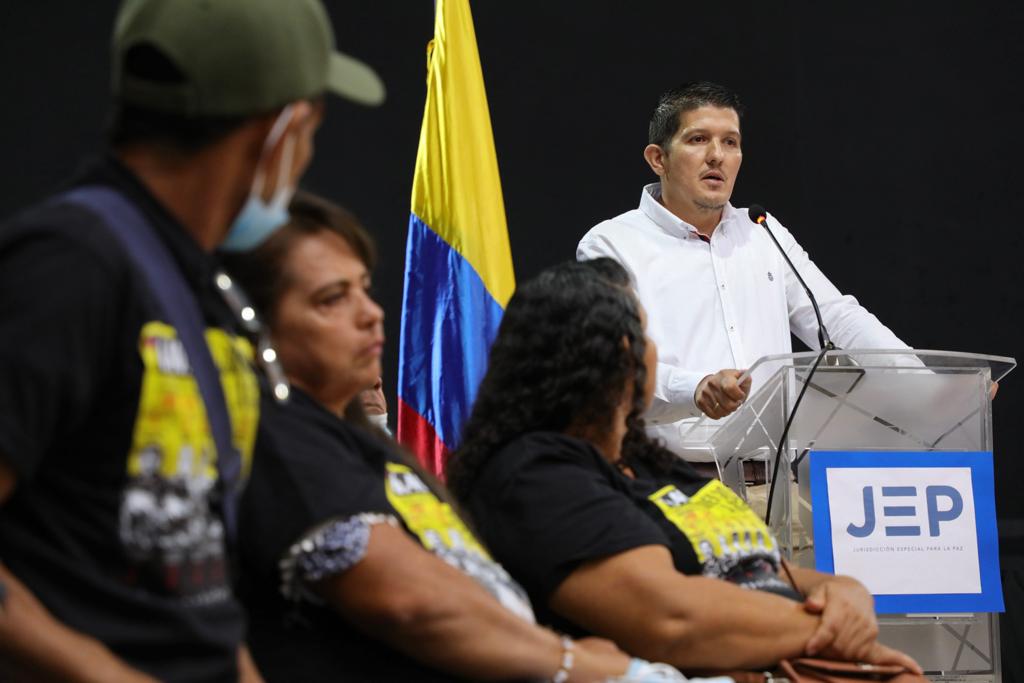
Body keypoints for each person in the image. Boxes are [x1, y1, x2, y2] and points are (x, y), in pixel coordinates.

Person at [0, 1, 383, 681]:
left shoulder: (200, 283)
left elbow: (194, 578)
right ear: (283, 129)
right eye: (314, 127)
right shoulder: (70, 264)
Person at [223, 193, 688, 682]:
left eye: (364, 288)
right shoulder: (280, 446)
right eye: (332, 299)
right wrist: (584, 666)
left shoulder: (373, 451)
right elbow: (415, 605)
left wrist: (566, 650)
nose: (371, 313)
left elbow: (467, 582)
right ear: (257, 327)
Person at [446, 258, 922, 673]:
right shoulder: (538, 476)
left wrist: (846, 592)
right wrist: (825, 629)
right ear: (616, 352)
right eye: (645, 331)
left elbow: (756, 569)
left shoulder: (651, 464)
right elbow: (672, 621)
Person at [576, 82, 909, 457]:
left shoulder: (762, 231)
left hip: (774, 485)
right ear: (658, 158)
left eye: (730, 142)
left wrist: (932, 387)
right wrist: (696, 388)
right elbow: (618, 369)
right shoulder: (611, 244)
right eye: (698, 139)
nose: (717, 156)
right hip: (672, 479)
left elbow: (836, 317)